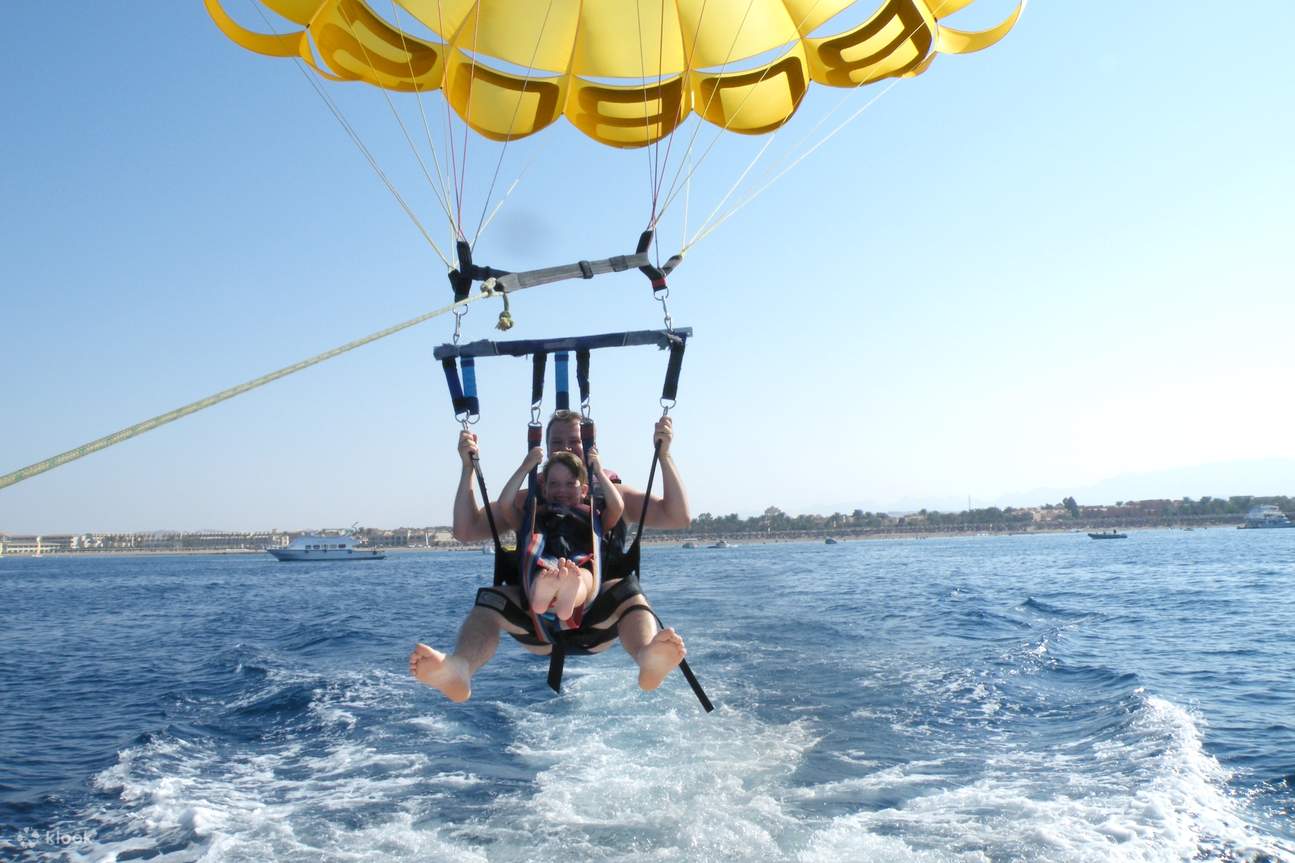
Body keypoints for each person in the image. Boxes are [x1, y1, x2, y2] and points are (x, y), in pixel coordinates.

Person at [409, 411, 689, 702]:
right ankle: (459, 668)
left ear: (590, 444)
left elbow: (678, 516)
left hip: (599, 619)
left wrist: (665, 456)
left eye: (575, 441)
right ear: (546, 448)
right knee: (489, 601)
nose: (566, 447)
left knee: (632, 595)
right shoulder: (529, 499)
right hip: (535, 620)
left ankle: (648, 659)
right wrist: (467, 468)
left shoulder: (612, 495)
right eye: (557, 441)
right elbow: (466, 530)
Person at [495, 447, 623, 623]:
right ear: (545, 490)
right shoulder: (534, 517)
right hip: (544, 562)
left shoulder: (593, 518)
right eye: (554, 484)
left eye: (570, 483)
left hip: (580, 563)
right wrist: (526, 467)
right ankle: (543, 596)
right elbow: (505, 504)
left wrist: (599, 471)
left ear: (584, 491)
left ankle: (570, 594)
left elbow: (617, 507)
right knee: (543, 575)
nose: (562, 489)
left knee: (584, 577)